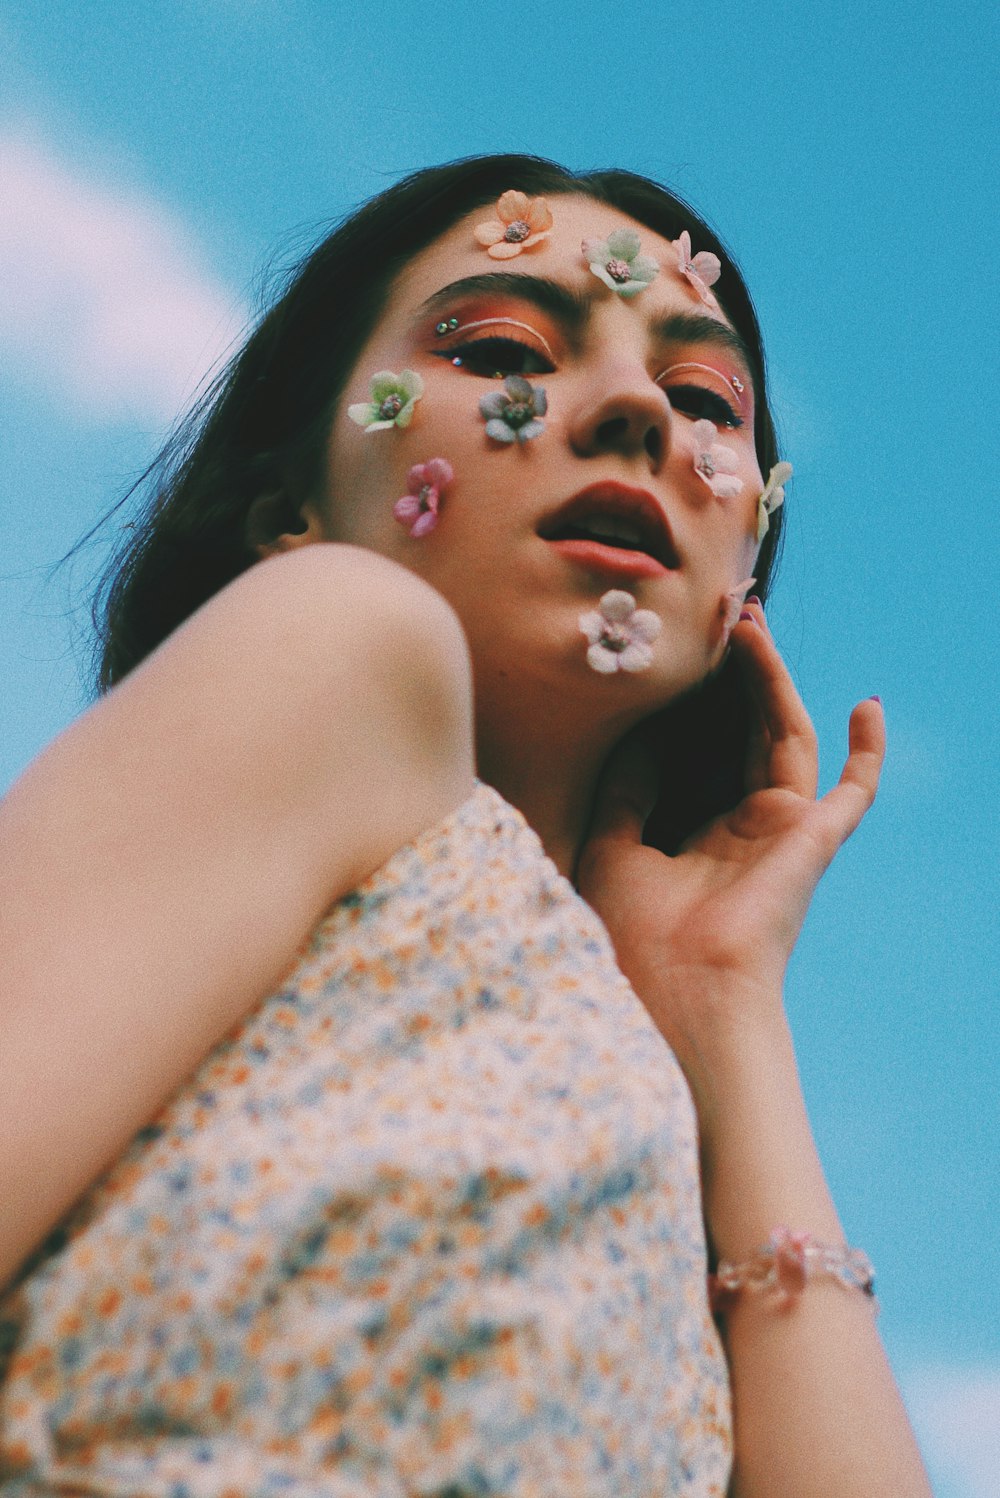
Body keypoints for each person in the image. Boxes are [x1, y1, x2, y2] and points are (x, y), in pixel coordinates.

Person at [0, 154, 930, 1496]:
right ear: (291, 502)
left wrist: (724, 1000)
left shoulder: (669, 1153)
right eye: (504, 345)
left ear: (746, 583)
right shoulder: (347, 636)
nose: (632, 414)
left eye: (702, 398)